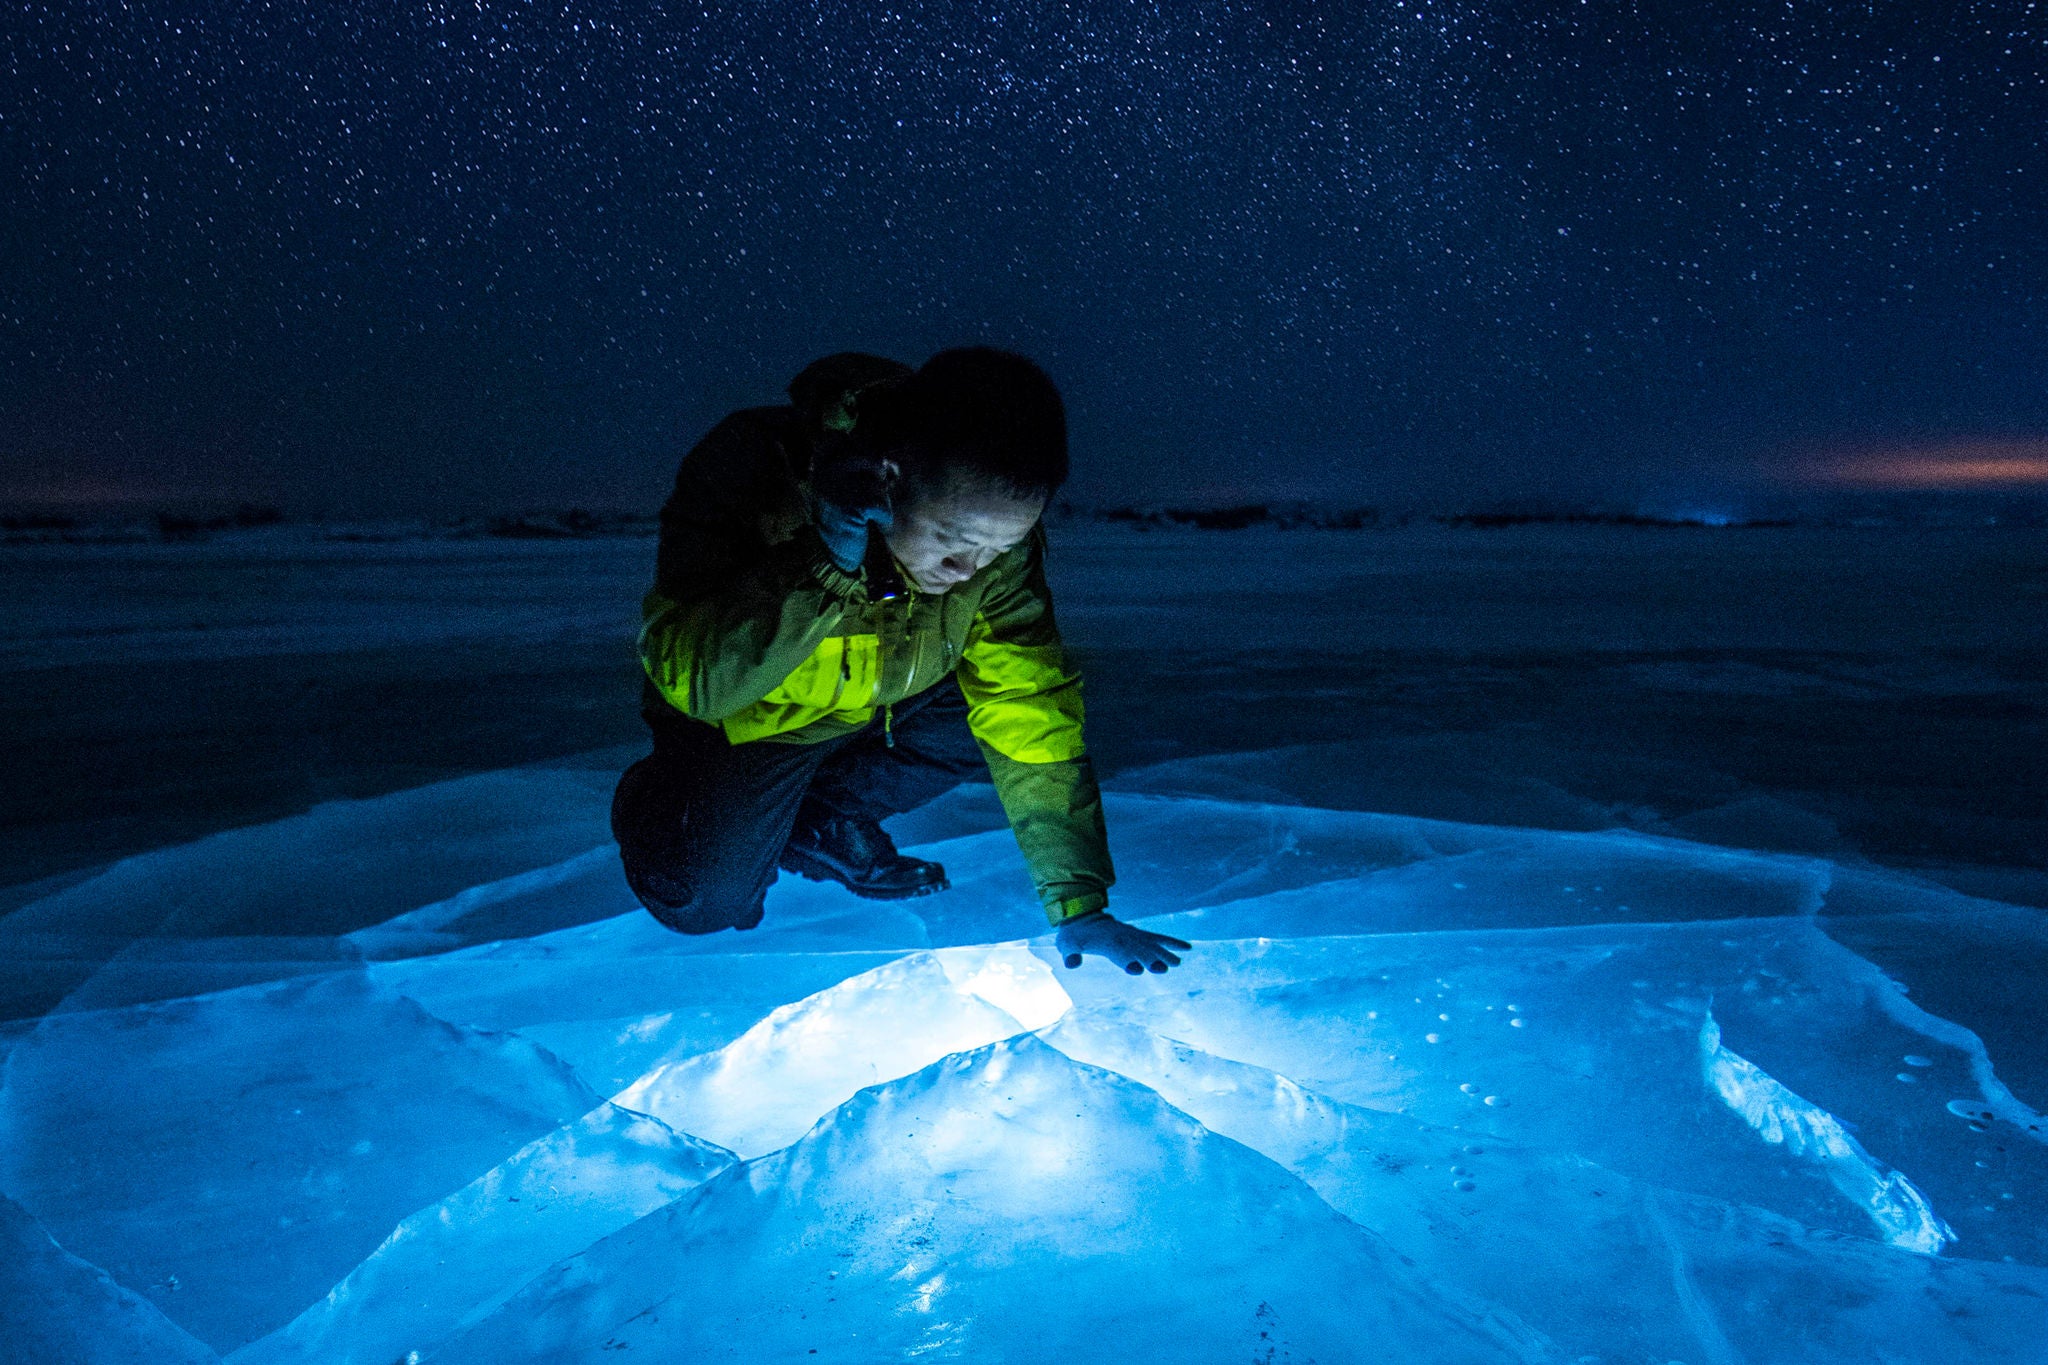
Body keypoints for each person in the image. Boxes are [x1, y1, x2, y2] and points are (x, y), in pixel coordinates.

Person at [611, 347, 1191, 975]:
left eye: (1000, 548)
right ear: (887, 478)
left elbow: (1030, 710)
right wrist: (824, 562)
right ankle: (669, 799)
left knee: (999, 708)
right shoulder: (754, 468)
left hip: (877, 707)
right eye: (952, 539)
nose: (968, 568)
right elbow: (700, 687)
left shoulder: (991, 550)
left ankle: (824, 816)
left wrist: (1078, 904)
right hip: (750, 723)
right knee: (704, 901)